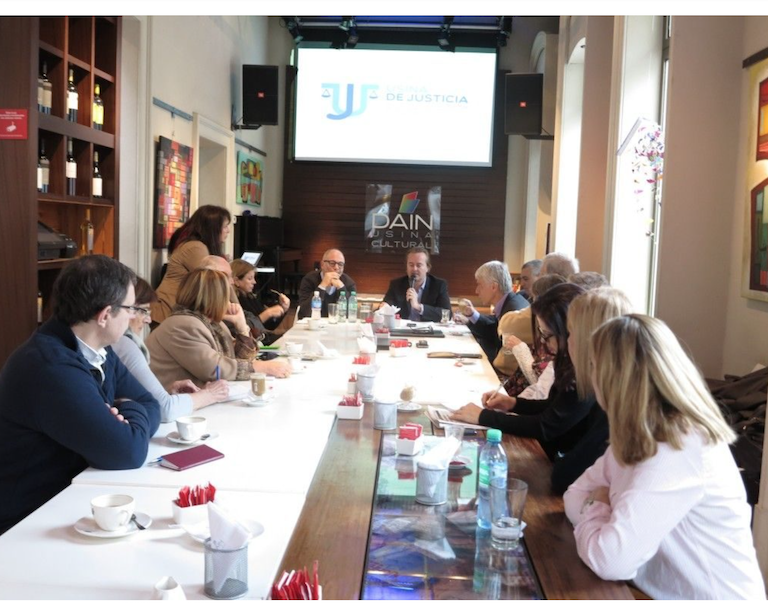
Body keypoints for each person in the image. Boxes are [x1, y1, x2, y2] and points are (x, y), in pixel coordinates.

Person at [564, 315, 765, 599]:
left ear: (614, 378)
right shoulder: (637, 435)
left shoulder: (677, 447)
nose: (590, 374)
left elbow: (611, 561)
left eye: (594, 366)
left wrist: (597, 506)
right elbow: (572, 497)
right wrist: (601, 517)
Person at [0, 255, 161, 535]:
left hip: (71, 500)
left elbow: (152, 406)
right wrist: (127, 411)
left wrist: (124, 410)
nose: (134, 316)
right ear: (105, 315)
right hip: (27, 523)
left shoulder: (98, 349)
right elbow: (127, 452)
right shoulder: (50, 367)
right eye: (130, 308)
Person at [451, 283, 594, 469]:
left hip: (566, 464)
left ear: (570, 331)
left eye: (548, 335)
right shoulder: (567, 359)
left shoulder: (586, 371)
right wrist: (513, 403)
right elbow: (553, 406)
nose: (544, 342)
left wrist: (483, 417)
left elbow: (546, 426)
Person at [111, 277, 230, 422]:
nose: (149, 320)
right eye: (143, 311)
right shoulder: (124, 345)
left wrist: (167, 393)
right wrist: (209, 394)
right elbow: (164, 409)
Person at [146, 268, 291, 388]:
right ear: (213, 298)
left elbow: (237, 359)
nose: (228, 301)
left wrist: (241, 327)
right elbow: (214, 369)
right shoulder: (182, 325)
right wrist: (265, 367)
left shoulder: (212, 322)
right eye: (225, 295)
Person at [548, 287, 633, 492]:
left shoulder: (617, 403)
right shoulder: (610, 392)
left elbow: (565, 477)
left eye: (570, 332)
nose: (567, 341)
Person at [151, 204, 232, 324]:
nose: (228, 231)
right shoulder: (195, 248)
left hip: (177, 315)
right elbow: (217, 283)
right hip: (168, 313)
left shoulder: (198, 246)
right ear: (213, 228)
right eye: (225, 226)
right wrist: (238, 310)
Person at [455, 261, 529, 361]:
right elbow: (494, 328)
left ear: (494, 287)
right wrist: (471, 316)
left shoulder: (512, 311)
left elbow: (500, 348)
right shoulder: (510, 302)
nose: (477, 291)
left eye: (480, 285)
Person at [383, 246, 451, 322]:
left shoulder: (439, 285)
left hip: (429, 331)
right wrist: (384, 308)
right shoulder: (396, 284)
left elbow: (447, 314)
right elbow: (386, 306)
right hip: (403, 331)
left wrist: (418, 307)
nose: (414, 269)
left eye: (419, 265)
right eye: (411, 265)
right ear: (406, 267)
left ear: (427, 268)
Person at [231, 258, 290, 341]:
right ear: (236, 281)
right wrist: (267, 313)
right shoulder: (234, 302)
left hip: (263, 339)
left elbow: (269, 326)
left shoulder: (250, 298)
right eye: (250, 278)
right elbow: (244, 328)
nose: (254, 282)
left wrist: (283, 309)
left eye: (254, 278)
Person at [297, 248, 356, 319]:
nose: (336, 267)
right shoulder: (309, 279)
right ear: (322, 264)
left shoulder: (348, 282)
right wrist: (322, 286)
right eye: (332, 263)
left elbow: (350, 313)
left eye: (340, 264)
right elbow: (305, 312)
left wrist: (341, 288)